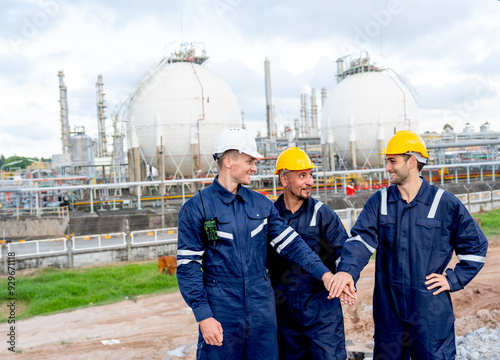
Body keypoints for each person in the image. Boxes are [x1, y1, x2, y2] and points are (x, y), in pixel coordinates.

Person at [176, 128, 339, 360]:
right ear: (229, 161)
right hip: (222, 309)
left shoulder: (260, 205)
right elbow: (188, 266)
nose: (254, 167)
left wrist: (325, 275)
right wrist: (204, 316)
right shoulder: (197, 208)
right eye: (250, 160)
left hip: (261, 309)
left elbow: (293, 244)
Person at [330, 130, 489, 360]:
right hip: (389, 312)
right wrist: (347, 271)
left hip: (430, 313)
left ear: (412, 161)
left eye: (392, 161)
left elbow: (476, 248)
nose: (387, 168)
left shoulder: (444, 203)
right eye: (387, 161)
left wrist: (452, 279)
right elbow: (360, 240)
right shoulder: (381, 201)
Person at [268, 147, 349, 360]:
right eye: (302, 176)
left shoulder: (323, 214)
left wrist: (345, 274)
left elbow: (344, 252)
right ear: (284, 180)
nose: (310, 181)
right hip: (284, 316)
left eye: (311, 175)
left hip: (322, 314)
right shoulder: (270, 217)